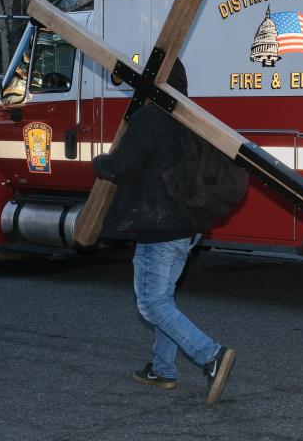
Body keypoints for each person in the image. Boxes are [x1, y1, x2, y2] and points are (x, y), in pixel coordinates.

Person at [92, 59, 236, 405]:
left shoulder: (152, 116)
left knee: (151, 303)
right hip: (188, 226)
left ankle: (211, 356)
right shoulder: (188, 115)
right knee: (164, 299)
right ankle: (162, 369)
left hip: (159, 225)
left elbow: (119, 167)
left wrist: (98, 162)